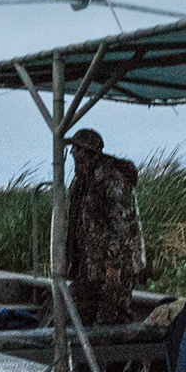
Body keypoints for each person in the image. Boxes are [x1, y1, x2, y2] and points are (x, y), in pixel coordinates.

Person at [66, 127, 144, 326]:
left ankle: (124, 357)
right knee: (75, 315)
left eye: (76, 149)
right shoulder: (82, 181)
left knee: (113, 322)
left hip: (113, 267)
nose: (72, 154)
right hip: (90, 267)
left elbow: (124, 226)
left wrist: (113, 268)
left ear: (86, 152)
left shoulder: (112, 179)